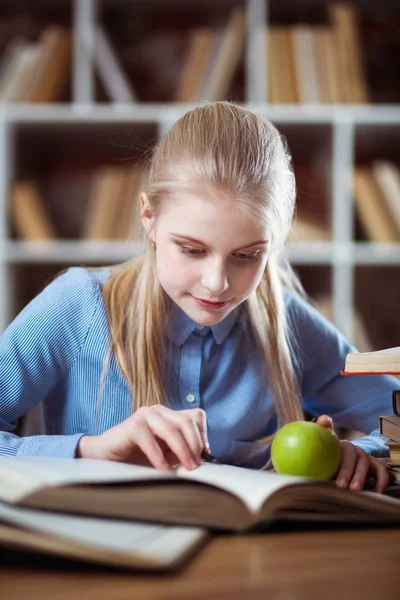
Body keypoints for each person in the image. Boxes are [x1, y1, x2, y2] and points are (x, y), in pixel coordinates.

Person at [0, 102, 395, 494]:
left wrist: (362, 453)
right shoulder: (78, 306)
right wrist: (91, 451)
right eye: (191, 249)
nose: (216, 283)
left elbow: (392, 418)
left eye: (247, 255)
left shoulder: (286, 325)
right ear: (149, 217)